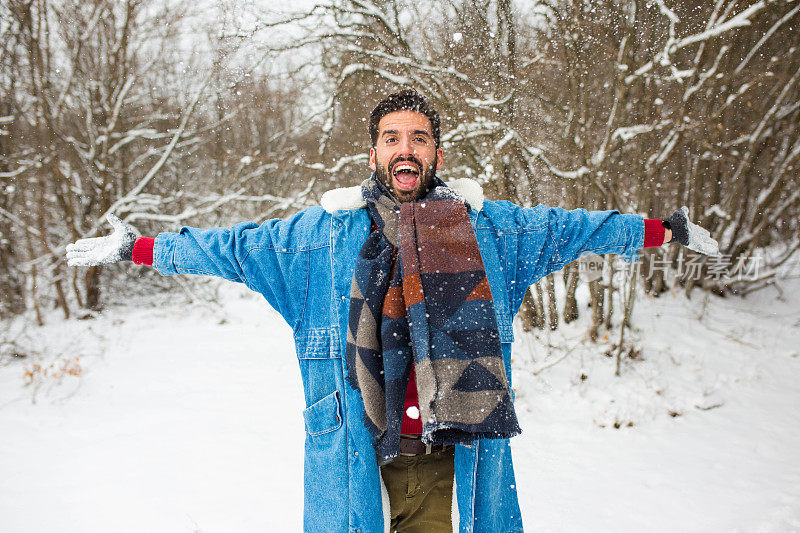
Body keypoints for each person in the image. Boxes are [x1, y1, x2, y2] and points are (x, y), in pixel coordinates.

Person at [66, 90, 718, 533]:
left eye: (419, 137)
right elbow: (228, 246)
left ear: (438, 152)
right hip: (355, 462)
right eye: (391, 137)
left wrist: (667, 230)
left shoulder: (491, 231)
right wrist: (138, 248)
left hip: (445, 461)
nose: (405, 149)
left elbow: (579, 228)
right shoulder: (315, 240)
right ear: (372, 153)